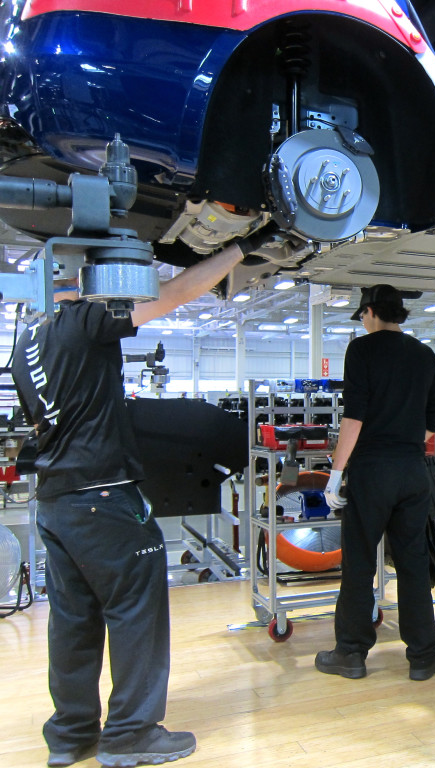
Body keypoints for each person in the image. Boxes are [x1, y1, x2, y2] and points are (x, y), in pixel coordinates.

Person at [12, 242, 251, 768]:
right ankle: (130, 734)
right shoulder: (82, 320)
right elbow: (174, 294)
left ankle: (70, 735)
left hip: (55, 501)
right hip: (103, 498)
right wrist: (239, 249)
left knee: (72, 622)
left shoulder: (23, 336)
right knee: (136, 612)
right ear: (74, 277)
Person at [315, 284, 435, 681]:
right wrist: (402, 441)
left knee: (358, 563)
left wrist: (336, 474)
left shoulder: (361, 350)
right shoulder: (425, 355)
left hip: (372, 472)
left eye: (362, 315)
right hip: (412, 471)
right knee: (412, 562)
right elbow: (433, 421)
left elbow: (353, 417)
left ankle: (351, 653)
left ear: (370, 311)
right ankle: (424, 655)